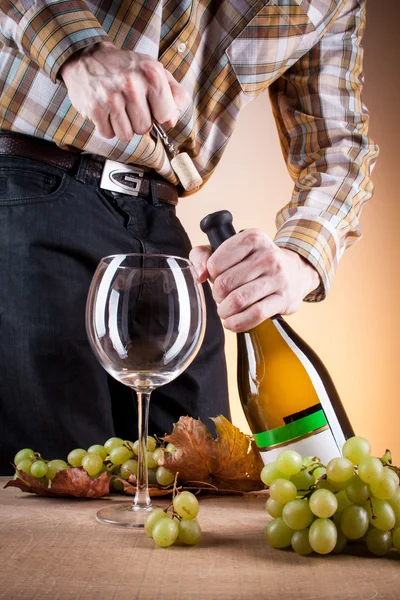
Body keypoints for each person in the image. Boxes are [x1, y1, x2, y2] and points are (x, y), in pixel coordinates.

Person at [0, 0, 378, 474]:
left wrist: (300, 259)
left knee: (199, 484)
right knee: (57, 493)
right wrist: (76, 51)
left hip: (161, 227)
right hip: (24, 189)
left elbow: (340, 148)